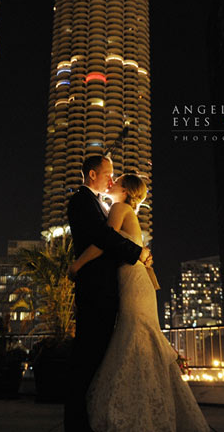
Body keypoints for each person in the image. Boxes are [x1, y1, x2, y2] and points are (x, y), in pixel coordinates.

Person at [70, 173, 211, 432]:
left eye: (117, 181)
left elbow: (104, 242)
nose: (112, 182)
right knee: (138, 336)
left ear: (125, 190)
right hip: (137, 282)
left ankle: (134, 407)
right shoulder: (127, 211)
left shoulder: (119, 207)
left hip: (133, 283)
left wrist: (78, 263)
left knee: (133, 335)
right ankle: (147, 404)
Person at [65, 155, 153, 432]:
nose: (111, 179)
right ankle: (77, 424)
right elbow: (104, 239)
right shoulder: (82, 200)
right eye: (108, 173)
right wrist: (137, 252)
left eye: (114, 175)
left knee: (97, 354)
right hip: (95, 289)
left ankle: (88, 417)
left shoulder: (103, 205)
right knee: (87, 356)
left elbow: (108, 238)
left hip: (108, 288)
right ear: (92, 175)